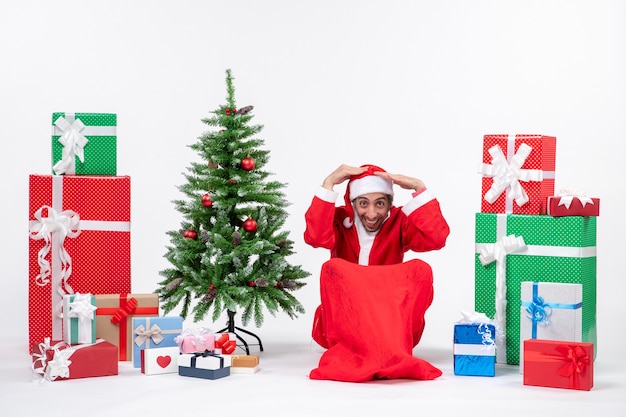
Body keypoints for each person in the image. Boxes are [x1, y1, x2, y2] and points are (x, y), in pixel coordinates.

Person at [304, 163, 450, 350]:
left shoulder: (399, 221)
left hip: (387, 317)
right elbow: (315, 238)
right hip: (347, 316)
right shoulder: (340, 220)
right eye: (363, 203)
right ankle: (351, 343)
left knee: (420, 270)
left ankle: (387, 341)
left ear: (389, 203)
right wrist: (329, 183)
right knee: (332, 268)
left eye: (379, 203)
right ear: (353, 202)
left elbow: (436, 238)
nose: (372, 214)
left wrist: (418, 186)